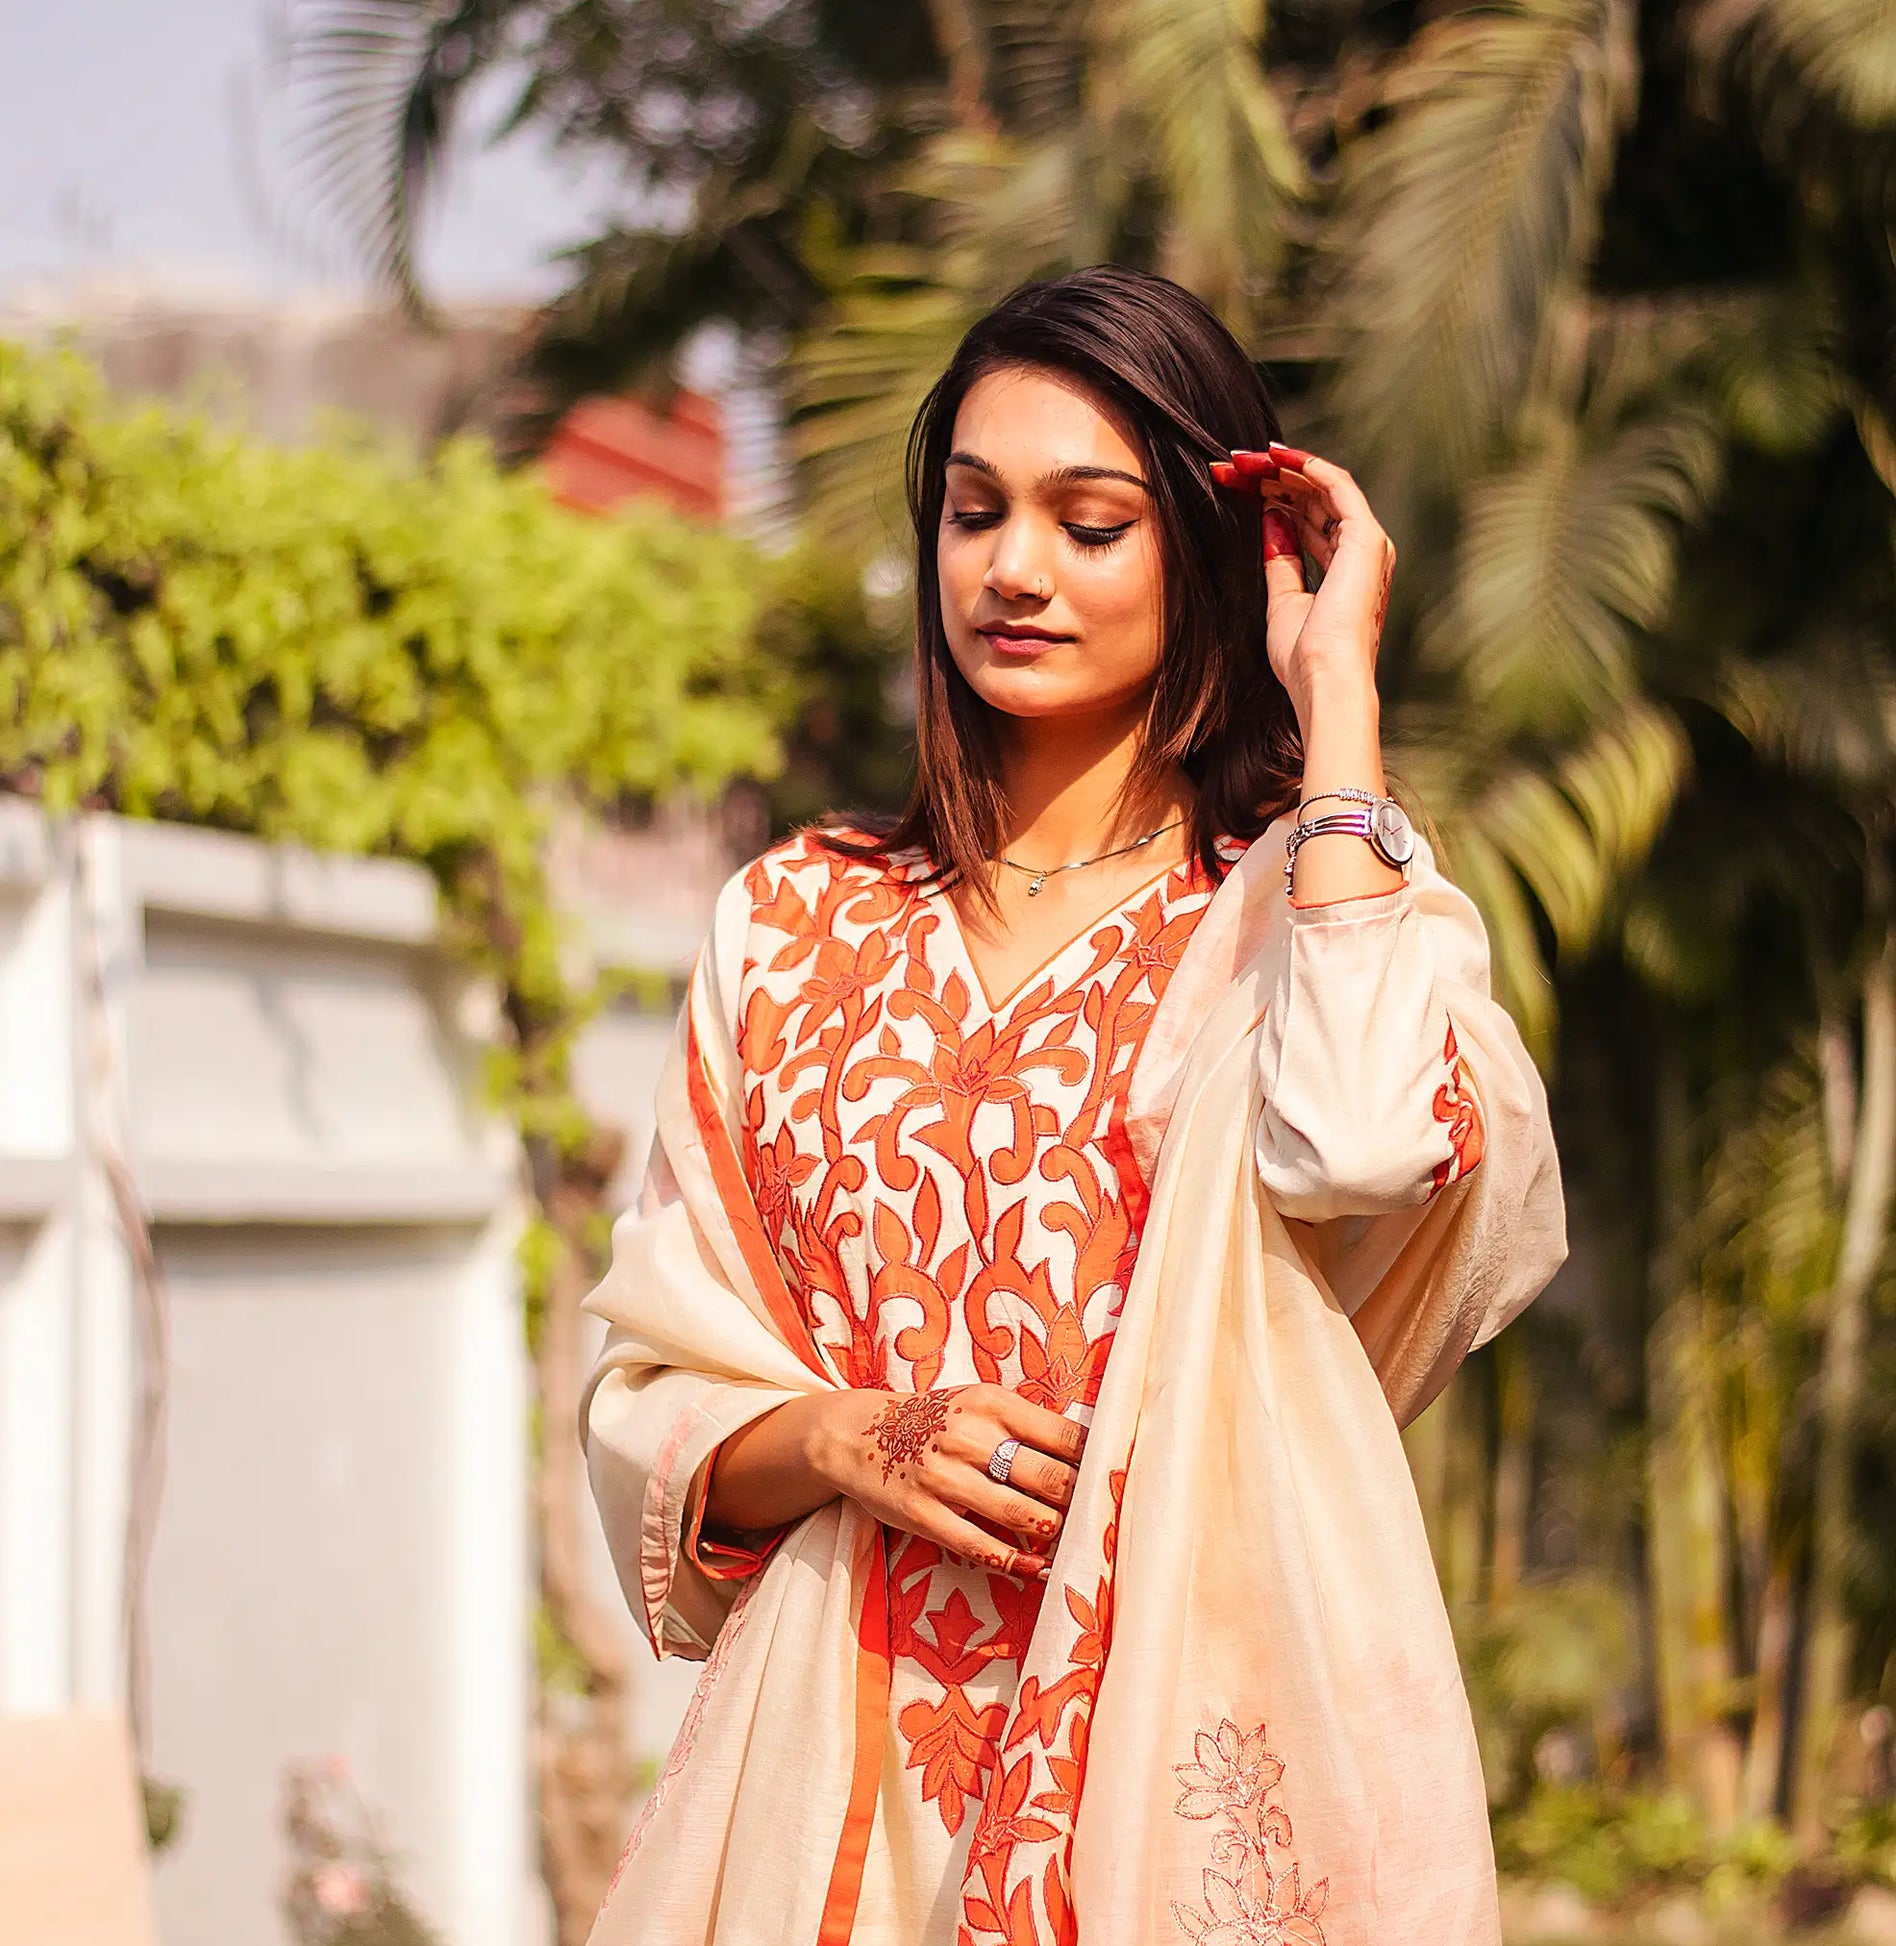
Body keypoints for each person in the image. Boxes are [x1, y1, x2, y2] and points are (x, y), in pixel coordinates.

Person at [580, 263, 1567, 1946]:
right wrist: (846, 1435)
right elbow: (652, 1391)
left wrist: (1337, 701)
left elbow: (1362, 1138)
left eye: (1088, 521)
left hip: (1192, 1768)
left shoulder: (1298, 915)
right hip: (838, 1778)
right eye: (973, 512)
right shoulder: (794, 924)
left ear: (1196, 547)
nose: (1013, 568)